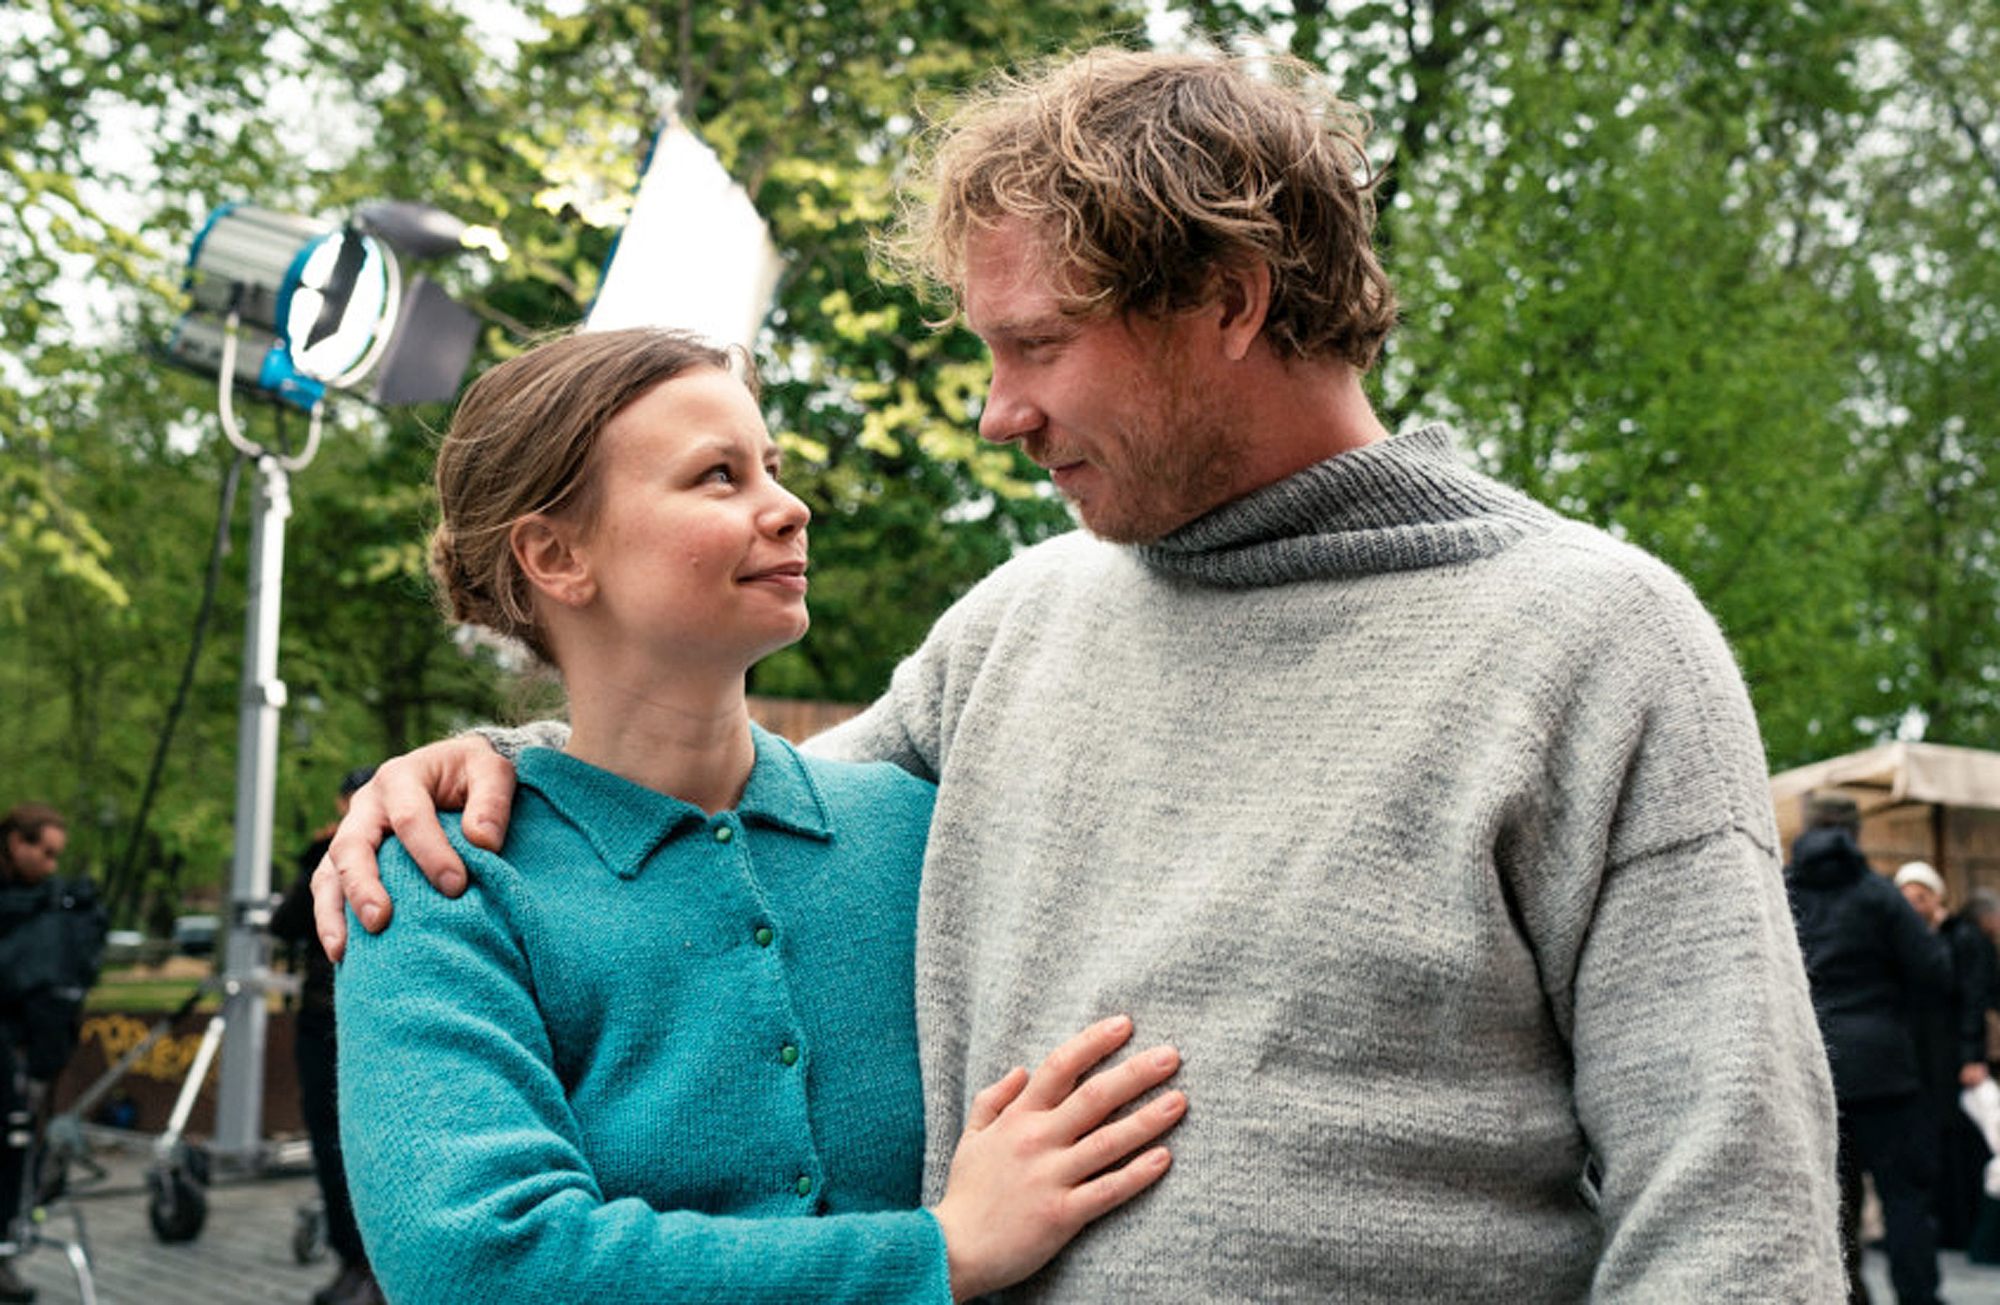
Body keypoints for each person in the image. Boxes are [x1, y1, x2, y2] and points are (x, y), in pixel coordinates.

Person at [315, 47, 1841, 1299]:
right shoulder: (1017, 626)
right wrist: (484, 766)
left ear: (1229, 300)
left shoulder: (1594, 642)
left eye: (1037, 346)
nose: (999, 412)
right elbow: (713, 817)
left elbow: (1733, 1205)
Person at [333, 326, 1186, 1304]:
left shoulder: (921, 834)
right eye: (719, 476)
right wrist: (937, 1254)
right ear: (557, 556)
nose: (789, 507)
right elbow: (480, 1266)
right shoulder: (441, 881)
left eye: (771, 468)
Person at [1789, 799, 1951, 1304]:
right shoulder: (1879, 894)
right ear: (1856, 833)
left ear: (1805, 829)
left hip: (1815, 1066)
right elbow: (1933, 971)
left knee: (1833, 1207)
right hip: (1886, 1067)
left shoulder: (1781, 890)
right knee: (1905, 1200)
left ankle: (1846, 1297)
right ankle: (1918, 1297)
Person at [270, 766, 380, 1305]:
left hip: (353, 1014)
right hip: (335, 1013)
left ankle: (369, 1267)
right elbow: (288, 923)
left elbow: (285, 924)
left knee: (353, 1142)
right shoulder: (329, 853)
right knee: (336, 1141)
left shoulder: (396, 846)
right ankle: (358, 1263)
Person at [0, 804, 106, 1305]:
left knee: (18, 1141)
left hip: (33, 1042)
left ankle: (5, 1246)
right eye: (43, 852)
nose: (50, 864)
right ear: (15, 843)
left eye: (56, 855)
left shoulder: (56, 900)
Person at [1897, 861, 2000, 1250]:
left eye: (1921, 897)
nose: (1915, 906)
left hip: (1953, 1053)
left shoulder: (1962, 937)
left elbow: (1974, 997)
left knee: (1960, 1136)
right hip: (1922, 1055)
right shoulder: (1908, 938)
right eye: (1908, 899)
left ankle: (1963, 1225)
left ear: (1937, 897)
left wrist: (1972, 1054)